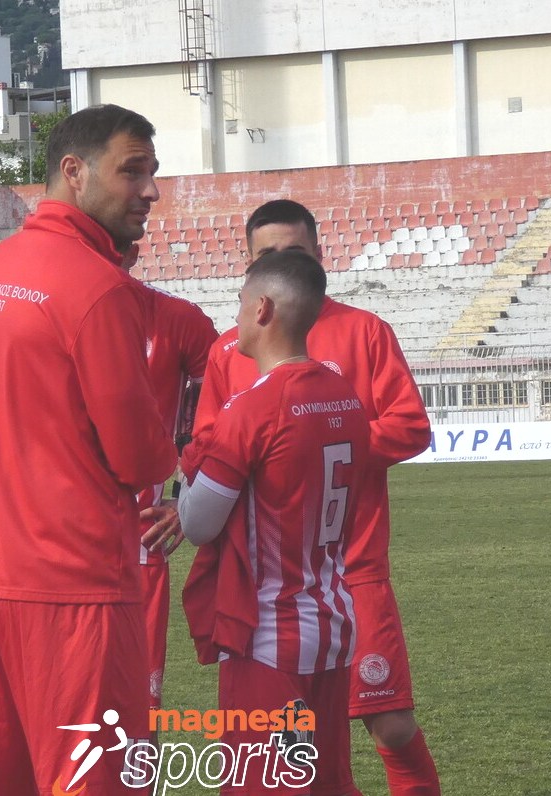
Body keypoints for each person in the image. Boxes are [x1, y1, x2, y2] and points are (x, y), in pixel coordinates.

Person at [0, 104, 177, 796]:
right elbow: (141, 460)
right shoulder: (98, 286)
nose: (150, 190)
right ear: (74, 172)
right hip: (76, 588)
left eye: (152, 172)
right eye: (132, 171)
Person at [194, 200, 440, 795]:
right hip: (266, 584)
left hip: (352, 567)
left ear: (319, 255)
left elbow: (410, 425)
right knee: (300, 757)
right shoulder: (229, 351)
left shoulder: (364, 331)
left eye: (295, 251)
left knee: (389, 723)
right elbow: (206, 446)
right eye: (267, 255)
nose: (283, 262)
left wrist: (314, 446)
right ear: (250, 265)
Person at [177, 249, 368, 796]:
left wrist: (188, 465)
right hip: (333, 623)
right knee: (327, 783)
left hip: (268, 634)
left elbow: (198, 524)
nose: (235, 315)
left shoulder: (253, 407)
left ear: (262, 309)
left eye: (239, 302)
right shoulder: (345, 397)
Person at [130, 267, 220, 712]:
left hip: (139, 544)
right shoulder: (39, 302)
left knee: (136, 714)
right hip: (50, 548)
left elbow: (223, 404)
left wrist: (187, 490)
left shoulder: (174, 318)